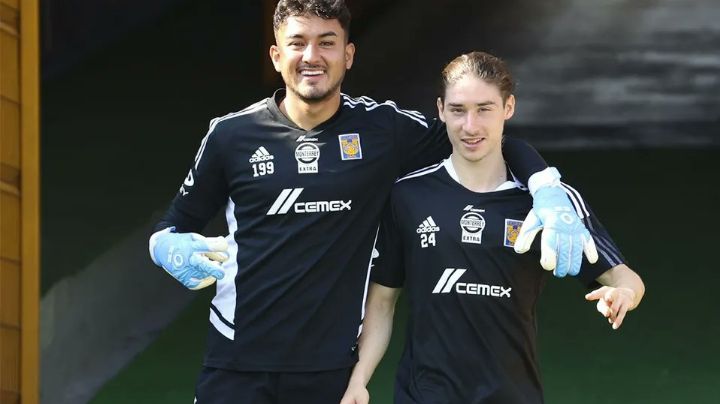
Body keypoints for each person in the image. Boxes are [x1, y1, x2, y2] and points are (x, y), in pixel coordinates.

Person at [148, 1, 599, 403]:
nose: (311, 57)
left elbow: (479, 137)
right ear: (275, 55)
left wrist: (545, 187)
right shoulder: (229, 135)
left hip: (331, 371)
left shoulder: (384, 130)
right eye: (297, 43)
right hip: (236, 362)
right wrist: (164, 246)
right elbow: (174, 224)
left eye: (327, 43)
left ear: (348, 55)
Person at [339, 51, 645, 404]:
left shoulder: (548, 203)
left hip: (514, 395)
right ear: (440, 110)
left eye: (484, 109)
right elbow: (381, 303)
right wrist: (359, 379)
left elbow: (625, 278)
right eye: (458, 110)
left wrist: (623, 294)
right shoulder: (407, 195)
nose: (471, 126)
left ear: (508, 107)